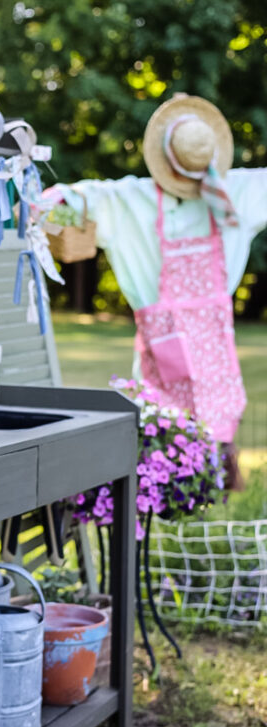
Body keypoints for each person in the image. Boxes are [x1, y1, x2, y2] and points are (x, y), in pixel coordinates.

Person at [55, 95, 267, 480]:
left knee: (215, 422)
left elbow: (78, 196)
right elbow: (72, 201)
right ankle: (169, 488)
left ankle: (211, 481)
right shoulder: (135, 200)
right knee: (161, 426)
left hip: (212, 343)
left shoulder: (234, 190)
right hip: (165, 340)